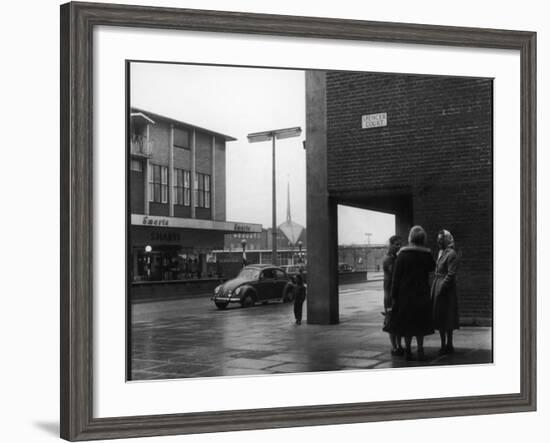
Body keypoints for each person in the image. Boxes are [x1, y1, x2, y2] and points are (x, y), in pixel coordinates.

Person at [389, 225, 436, 361]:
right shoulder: (426, 254)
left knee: (407, 324)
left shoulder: (402, 255)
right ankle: (420, 350)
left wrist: (393, 296)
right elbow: (432, 267)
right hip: (421, 294)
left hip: (405, 295)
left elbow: (396, 278)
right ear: (423, 238)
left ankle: (408, 350)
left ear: (410, 237)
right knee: (420, 323)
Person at [431, 229, 460, 354]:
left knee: (448, 317)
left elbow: (451, 274)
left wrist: (441, 287)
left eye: (441, 239)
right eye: (438, 239)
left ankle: (449, 344)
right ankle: (443, 344)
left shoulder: (451, 253)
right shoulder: (440, 252)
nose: (439, 242)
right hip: (438, 284)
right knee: (441, 317)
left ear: (447, 240)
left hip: (446, 289)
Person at [382, 235, 404, 356]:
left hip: (397, 295)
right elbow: (393, 277)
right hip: (390, 295)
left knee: (398, 321)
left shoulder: (396, 258)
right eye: (396, 244)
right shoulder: (388, 260)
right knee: (391, 322)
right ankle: (395, 347)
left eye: (400, 244)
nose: (399, 246)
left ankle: (399, 346)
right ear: (391, 245)